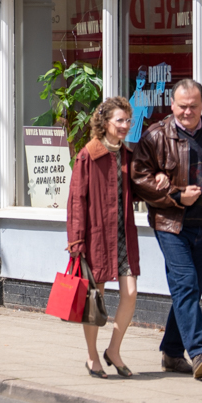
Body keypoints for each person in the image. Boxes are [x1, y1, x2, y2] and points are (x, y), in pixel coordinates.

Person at [131, 79, 202, 380]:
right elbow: (138, 179)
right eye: (182, 106)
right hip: (171, 224)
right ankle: (200, 353)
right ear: (172, 105)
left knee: (191, 289)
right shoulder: (155, 136)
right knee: (185, 284)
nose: (187, 112)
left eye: (193, 106)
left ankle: (172, 353)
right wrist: (174, 194)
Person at [67, 97, 140, 379]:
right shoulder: (88, 155)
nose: (125, 126)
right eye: (119, 120)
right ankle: (92, 356)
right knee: (96, 298)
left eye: (127, 121)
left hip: (122, 237)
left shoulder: (128, 155)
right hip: (96, 235)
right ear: (105, 123)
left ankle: (113, 350)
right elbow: (76, 201)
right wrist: (76, 242)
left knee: (130, 293)